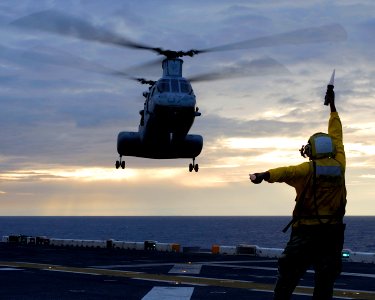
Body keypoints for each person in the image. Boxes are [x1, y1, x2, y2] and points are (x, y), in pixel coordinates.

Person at [249, 87, 346, 299]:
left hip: (306, 234)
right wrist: (332, 106)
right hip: (332, 234)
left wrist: (263, 175)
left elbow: (286, 171)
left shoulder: (306, 170)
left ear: (311, 151)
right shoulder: (340, 165)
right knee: (325, 281)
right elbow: (337, 134)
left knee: (287, 277)